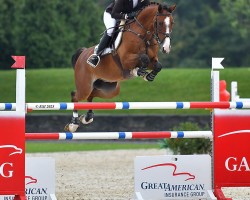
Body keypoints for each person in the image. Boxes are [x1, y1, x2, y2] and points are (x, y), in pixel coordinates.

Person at [87, 0, 150, 68]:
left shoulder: (145, 1)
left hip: (129, 18)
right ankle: (96, 55)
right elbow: (114, 14)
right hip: (112, 15)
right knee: (111, 30)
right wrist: (126, 16)